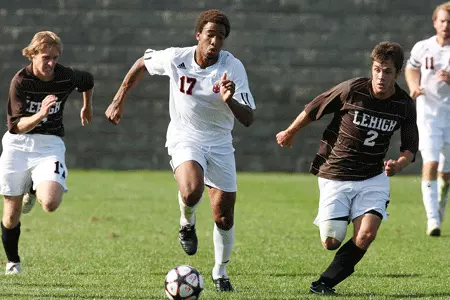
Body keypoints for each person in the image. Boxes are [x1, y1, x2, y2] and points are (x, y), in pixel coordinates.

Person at [105, 9, 255, 292]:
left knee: (224, 216)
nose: (215, 42)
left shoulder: (232, 67)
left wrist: (230, 99)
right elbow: (141, 63)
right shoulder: (177, 57)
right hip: (185, 135)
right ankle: (187, 221)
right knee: (191, 190)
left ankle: (220, 272)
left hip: (220, 142)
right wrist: (118, 100)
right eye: (210, 35)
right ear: (198, 35)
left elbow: (248, 119)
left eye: (221, 37)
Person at [276, 42, 419, 295]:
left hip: (372, 177)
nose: (381, 77)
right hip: (336, 173)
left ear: (397, 74)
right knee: (331, 241)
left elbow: (410, 147)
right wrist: (290, 132)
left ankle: (324, 283)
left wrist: (399, 164)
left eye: (387, 72)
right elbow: (313, 109)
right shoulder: (352, 89)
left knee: (366, 235)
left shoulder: (404, 104)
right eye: (377, 70)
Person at [0, 31, 94, 274]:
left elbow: (88, 81)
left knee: (50, 203)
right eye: (46, 57)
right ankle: (13, 262)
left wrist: (87, 106)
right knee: (10, 216)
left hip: (49, 144)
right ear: (32, 55)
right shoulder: (20, 81)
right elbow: (16, 126)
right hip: (17, 145)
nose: (51, 63)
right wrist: (41, 114)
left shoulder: (65, 75)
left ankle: (33, 187)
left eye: (55, 57)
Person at [405, 1, 450, 236]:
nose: (446, 25)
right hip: (428, 116)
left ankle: (439, 207)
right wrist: (414, 86)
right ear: (435, 23)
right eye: (442, 21)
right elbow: (411, 68)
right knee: (430, 162)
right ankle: (432, 219)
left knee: (446, 172)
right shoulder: (423, 47)